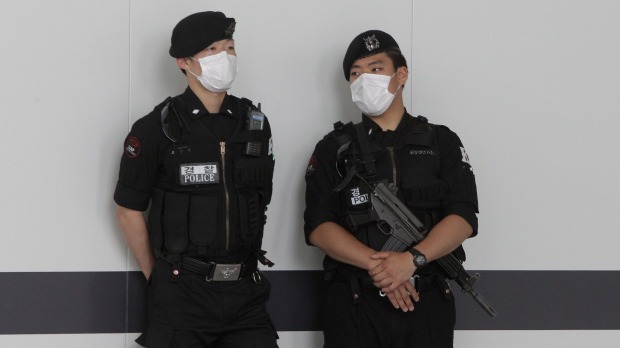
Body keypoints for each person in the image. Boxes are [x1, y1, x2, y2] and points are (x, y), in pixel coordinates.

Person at [304, 30, 479, 348]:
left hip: (426, 298)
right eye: (355, 73)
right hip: (354, 300)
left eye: (375, 68)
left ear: (401, 74)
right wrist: (381, 267)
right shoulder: (334, 148)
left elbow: (463, 217)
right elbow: (319, 227)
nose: (363, 79)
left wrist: (411, 261)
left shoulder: (442, 141)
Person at [114, 11, 278, 348]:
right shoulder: (156, 129)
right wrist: (156, 278)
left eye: (230, 48)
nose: (226, 57)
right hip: (182, 295)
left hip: (246, 295)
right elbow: (128, 209)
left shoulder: (255, 124)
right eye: (213, 50)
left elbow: (260, 199)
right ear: (184, 62)